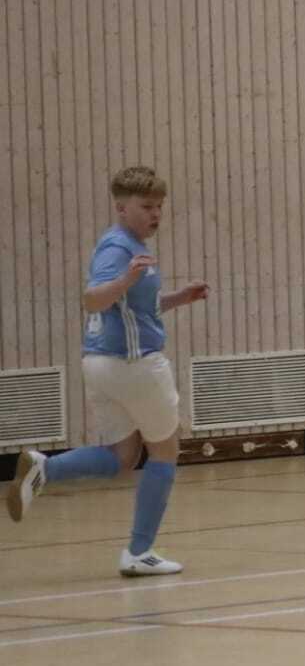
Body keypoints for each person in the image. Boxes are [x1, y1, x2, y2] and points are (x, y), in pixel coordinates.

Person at [4, 166, 210, 575]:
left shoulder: (125, 246)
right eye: (146, 206)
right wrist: (126, 278)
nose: (155, 214)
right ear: (121, 207)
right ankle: (139, 552)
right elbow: (93, 299)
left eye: (159, 206)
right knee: (165, 450)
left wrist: (177, 298)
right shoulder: (120, 249)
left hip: (101, 364)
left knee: (122, 457)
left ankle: (45, 467)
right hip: (135, 365)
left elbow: (133, 309)